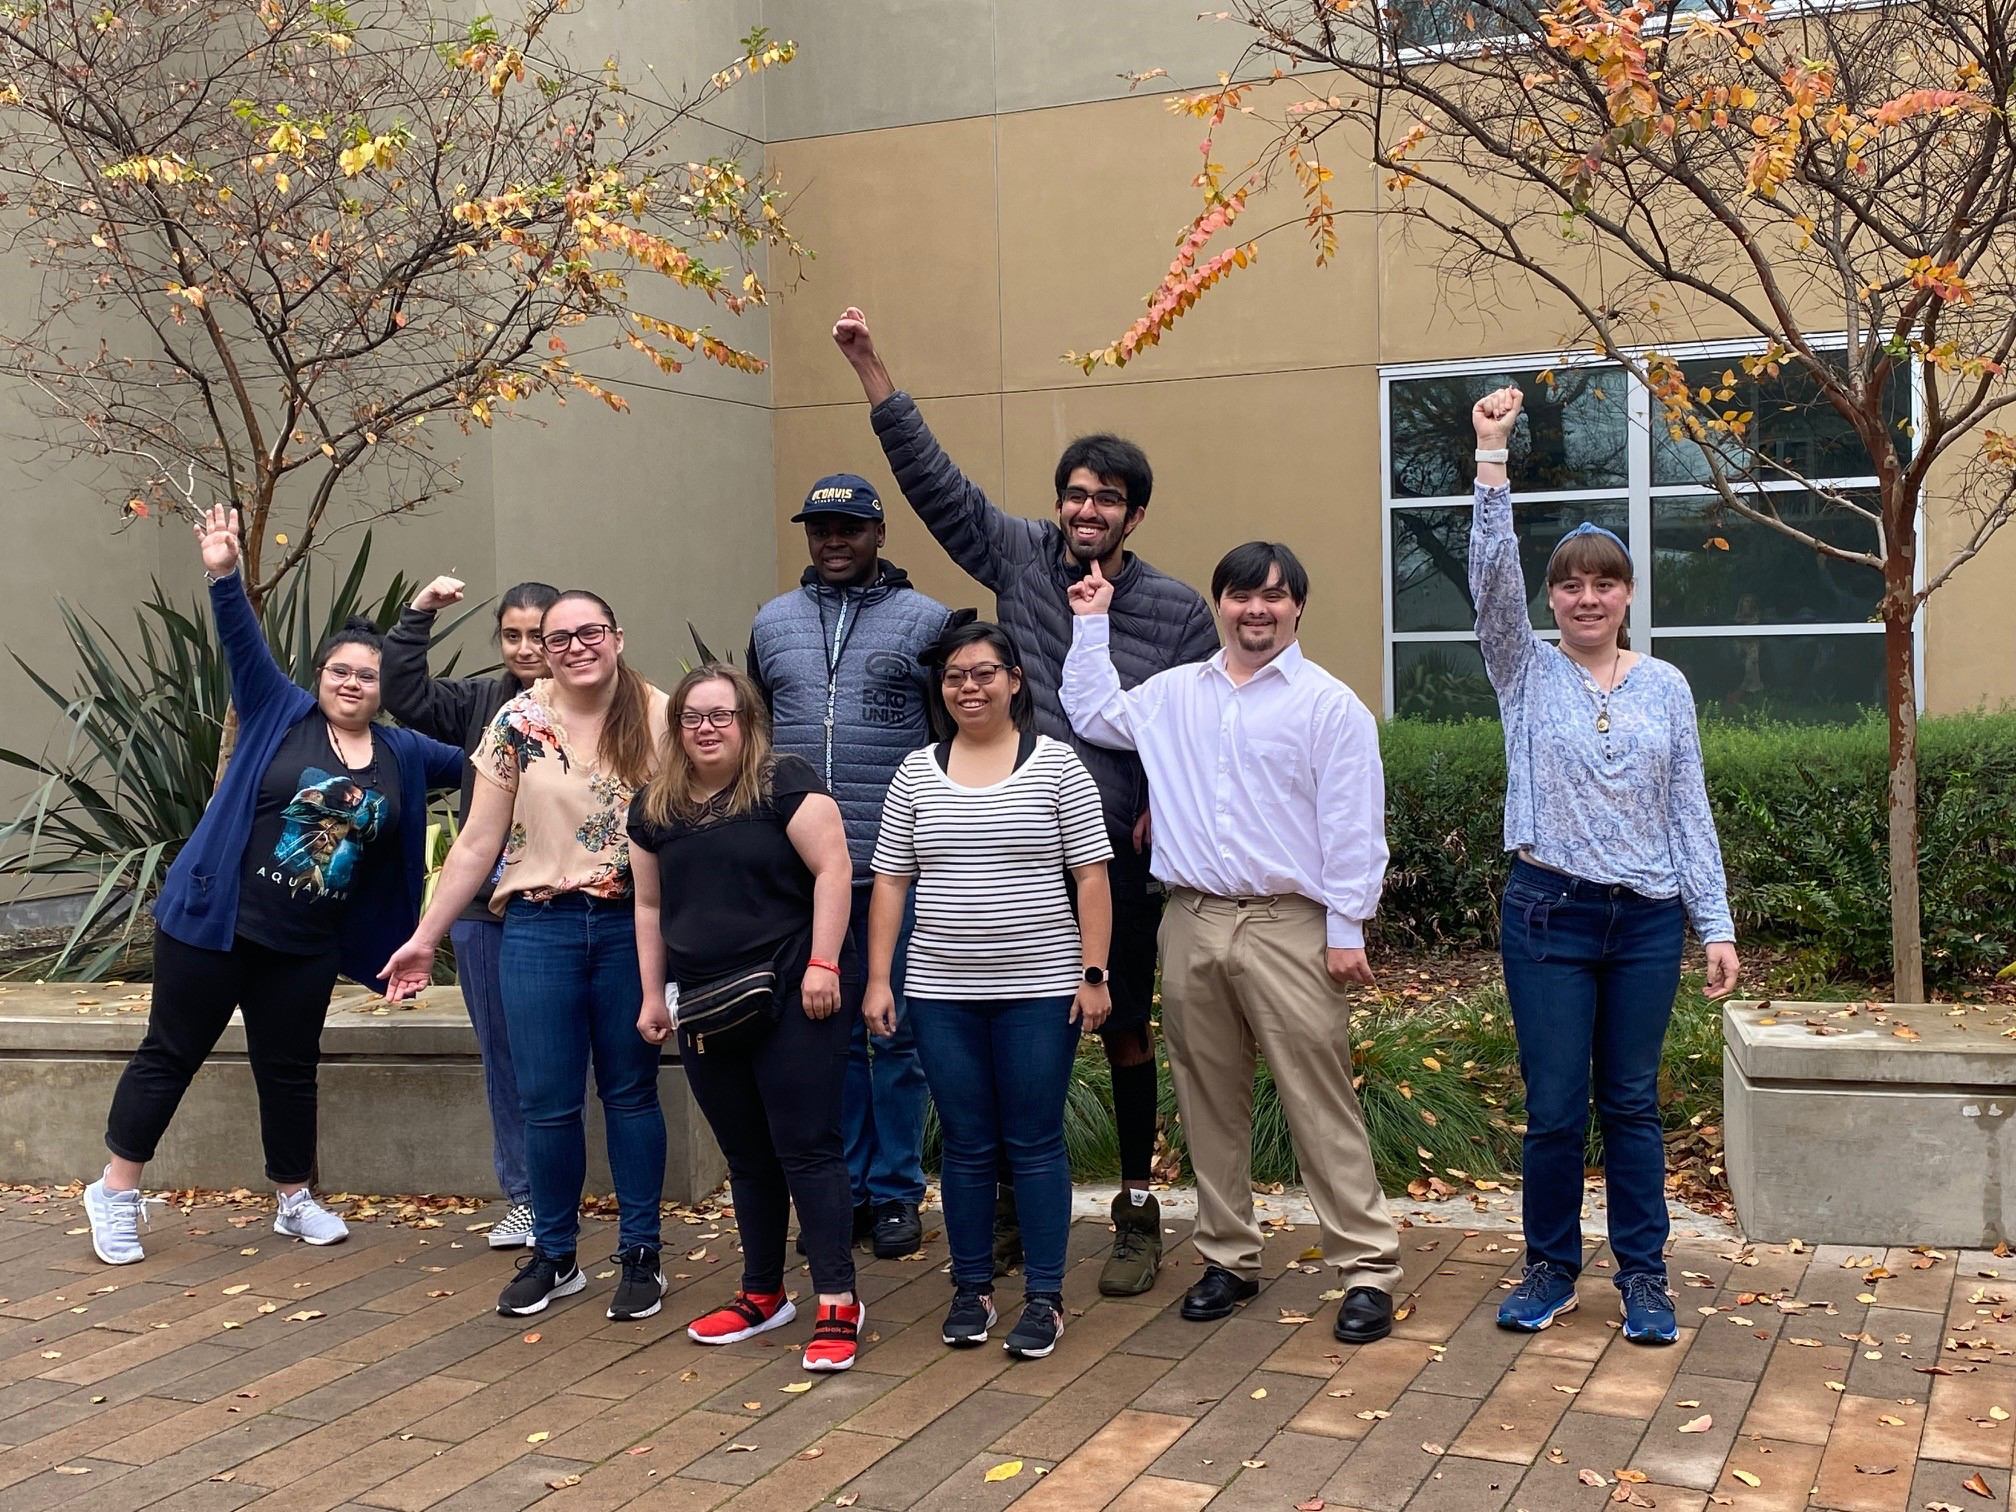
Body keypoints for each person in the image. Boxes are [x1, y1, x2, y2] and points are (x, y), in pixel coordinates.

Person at [835, 305, 1216, 1296]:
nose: (1088, 511)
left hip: (1112, 860)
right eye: (1076, 496)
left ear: (1135, 515)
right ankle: (1005, 1202)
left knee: (1123, 1027)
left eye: (1109, 499)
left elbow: (1199, 728)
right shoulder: (1020, 560)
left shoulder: (1175, 609)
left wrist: (1163, 808)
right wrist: (874, 370)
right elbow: (932, 482)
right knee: (998, 1025)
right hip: (1002, 848)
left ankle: (1137, 1206)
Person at [83, 506, 464, 1266]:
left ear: (387, 687)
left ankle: (294, 1198)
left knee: (290, 1071)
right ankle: (116, 1191)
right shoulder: (277, 712)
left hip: (306, 942)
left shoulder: (407, 751)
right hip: (215, 922)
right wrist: (223, 571)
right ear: (320, 677)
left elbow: (493, 763)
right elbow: (240, 640)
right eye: (341, 672)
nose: (354, 683)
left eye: (368, 675)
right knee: (172, 1054)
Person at [1062, 542, 1404, 1345]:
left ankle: (1366, 1268)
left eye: (1276, 597)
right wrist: (1090, 622)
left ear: (1298, 609)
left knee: (1317, 1099)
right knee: (1208, 1100)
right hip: (1192, 917)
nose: (1259, 610)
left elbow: (1355, 825)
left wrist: (1348, 926)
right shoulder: (1176, 695)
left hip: (1291, 923)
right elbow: (1091, 711)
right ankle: (1228, 1257)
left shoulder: (1329, 706)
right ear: (1220, 603)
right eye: (1243, 595)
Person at [1467, 385, 1740, 1346]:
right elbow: (1491, 581)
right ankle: (1548, 1268)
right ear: (1553, 598)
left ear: (1627, 595)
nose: (1588, 597)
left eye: (1605, 583)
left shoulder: (1666, 685)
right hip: (1550, 914)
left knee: (1629, 1103)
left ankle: (1645, 1278)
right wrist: (1491, 459)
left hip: (1648, 920)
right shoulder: (1523, 670)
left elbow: (1687, 807)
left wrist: (1716, 922)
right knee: (1553, 1108)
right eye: (1571, 585)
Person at [381, 591, 671, 1322]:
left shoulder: (661, 714)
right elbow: (479, 841)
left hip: (625, 927)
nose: (576, 646)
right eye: (559, 636)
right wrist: (425, 936)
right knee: (546, 1103)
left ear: (617, 635)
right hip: (538, 928)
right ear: (542, 645)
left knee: (632, 1093)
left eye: (591, 632)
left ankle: (641, 1252)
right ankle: (556, 1251)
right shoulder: (518, 720)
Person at [865, 619, 1113, 1360]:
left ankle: (1044, 1297)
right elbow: (890, 881)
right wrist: (879, 978)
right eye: (954, 676)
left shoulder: (1057, 765)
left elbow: (1092, 876)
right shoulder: (916, 772)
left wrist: (1094, 973)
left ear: (1014, 680)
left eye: (983, 673)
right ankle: (970, 1288)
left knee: (1034, 1142)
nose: (968, 687)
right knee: (967, 1146)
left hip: (1041, 991)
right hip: (941, 993)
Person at [630, 665, 868, 1372]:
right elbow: (648, 908)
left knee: (807, 1145)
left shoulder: (783, 783)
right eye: (693, 717)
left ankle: (837, 1299)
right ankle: (763, 1292)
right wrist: (651, 996)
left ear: (747, 721)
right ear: (675, 728)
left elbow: (834, 870)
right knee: (746, 1153)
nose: (707, 728)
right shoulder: (655, 807)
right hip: (706, 997)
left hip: (798, 984)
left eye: (721, 715)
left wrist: (825, 963)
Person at [747, 474, 950, 1261]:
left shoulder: (927, 621)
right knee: (821, 1039)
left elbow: (946, 732)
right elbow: (754, 736)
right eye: (819, 528)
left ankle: (897, 1191)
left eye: (849, 528)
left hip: (894, 867)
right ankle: (846, 1193)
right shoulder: (772, 623)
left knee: (892, 1035)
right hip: (800, 872)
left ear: (878, 534)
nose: (833, 541)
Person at [382, 574, 559, 1251]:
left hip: (570, 903)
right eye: (511, 635)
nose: (525, 648)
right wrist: (418, 614)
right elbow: (405, 693)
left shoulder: (602, 704)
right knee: (505, 1057)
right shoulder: (480, 703)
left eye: (537, 635)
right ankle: (526, 1197)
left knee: (580, 1052)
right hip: (486, 910)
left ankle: (575, 1191)